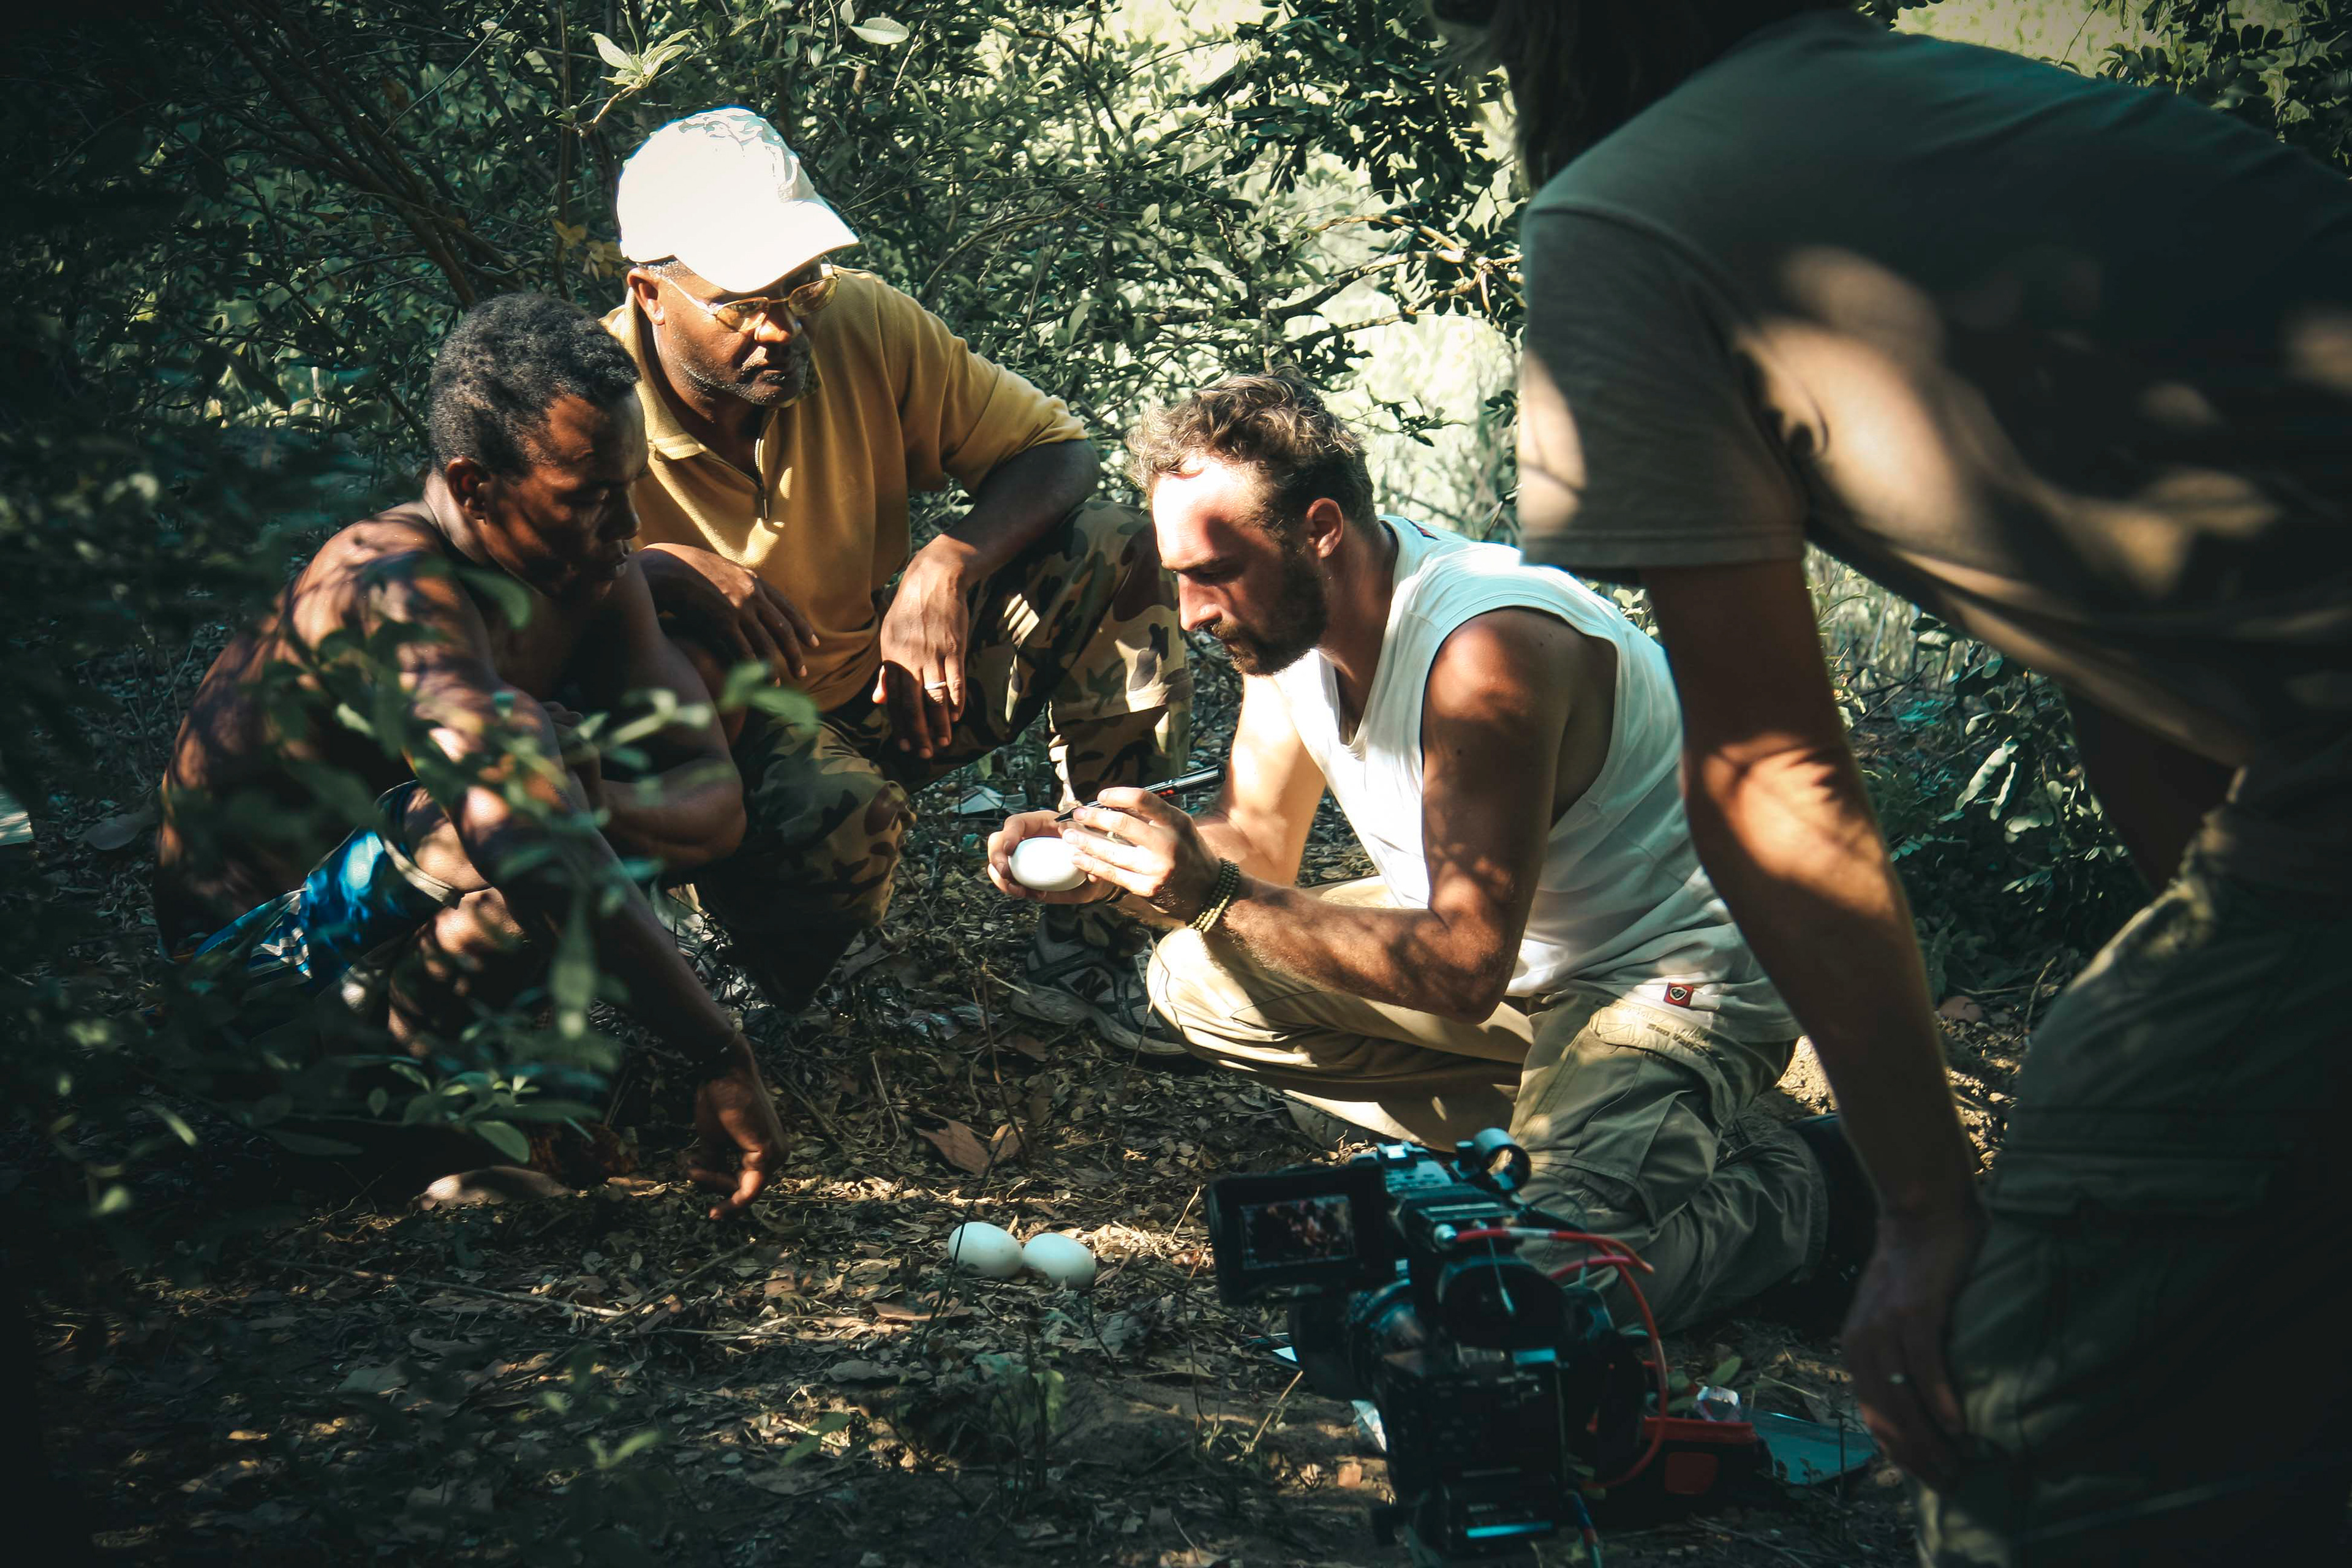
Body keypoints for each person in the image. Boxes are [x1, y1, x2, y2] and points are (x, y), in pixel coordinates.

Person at [1438, 0, 2352, 1558]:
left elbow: (1770, 763)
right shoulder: (2000, 120)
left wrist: (1926, 1209)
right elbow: (2138, 670)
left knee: (2021, 1413)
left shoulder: (1622, 212)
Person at [986, 372, 1863, 1332]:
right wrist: (1102, 856)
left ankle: (1802, 1191)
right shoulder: (1291, 626)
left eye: (1215, 572)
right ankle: (1599, 1137)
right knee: (1196, 977)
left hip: (1669, 971)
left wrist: (1212, 893)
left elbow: (1460, 967)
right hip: (1519, 962)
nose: (1192, 611)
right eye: (1179, 576)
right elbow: (1259, 843)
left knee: (1534, 1292)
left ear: (1321, 529)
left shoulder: (1486, 649)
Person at [154, 293, 788, 1216]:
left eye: (631, 486)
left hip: (393, 953)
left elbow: (714, 805)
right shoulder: (389, 583)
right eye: (589, 497)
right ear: (475, 487)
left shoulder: (590, 573)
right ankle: (422, 1144)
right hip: (252, 999)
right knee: (500, 797)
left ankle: (463, 1097)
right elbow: (518, 835)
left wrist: (595, 805)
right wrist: (720, 1052)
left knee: (592, 752)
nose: (625, 526)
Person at [602, 107, 1191, 1052]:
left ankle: (1096, 943)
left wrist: (946, 563)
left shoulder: (859, 321)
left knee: (1118, 548)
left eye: (801, 286)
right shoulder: (588, 404)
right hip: (731, 746)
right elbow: (514, 615)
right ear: (650, 293)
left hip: (897, 689)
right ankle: (733, 971)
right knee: (841, 813)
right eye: (743, 303)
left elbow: (1058, 452)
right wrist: (659, 571)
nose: (781, 327)